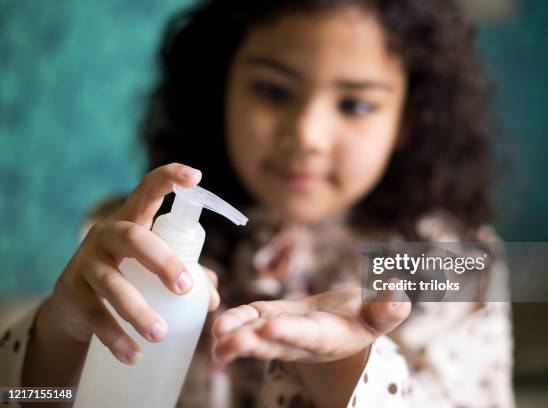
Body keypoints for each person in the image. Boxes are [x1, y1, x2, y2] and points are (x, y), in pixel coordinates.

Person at [0, 0, 514, 406]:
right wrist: (59, 335)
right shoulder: (135, 245)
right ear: (219, 86)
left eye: (355, 104)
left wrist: (343, 366)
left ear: (408, 120)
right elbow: (24, 397)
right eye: (272, 90)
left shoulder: (453, 262)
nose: (307, 134)